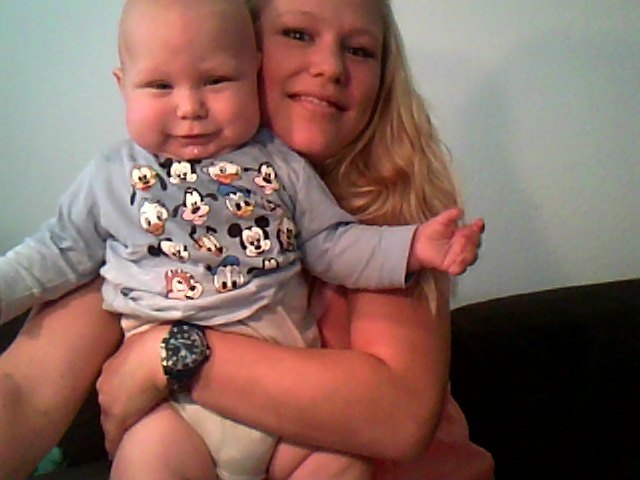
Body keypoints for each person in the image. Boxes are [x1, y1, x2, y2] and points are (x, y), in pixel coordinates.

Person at [0, 0, 492, 478]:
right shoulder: (141, 204)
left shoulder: (391, 210)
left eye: (360, 50)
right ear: (248, 46)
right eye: (297, 34)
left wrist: (167, 353)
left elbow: (397, 419)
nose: (330, 67)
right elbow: (25, 389)